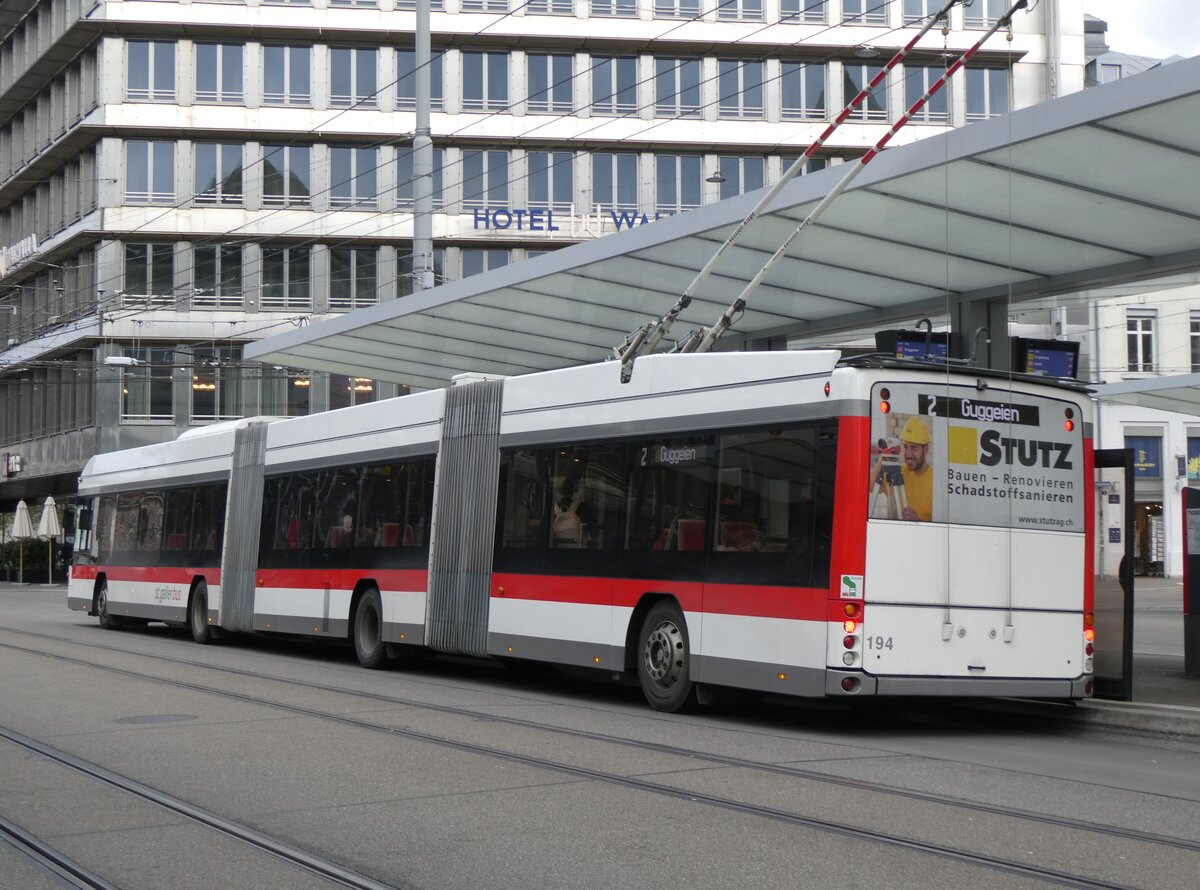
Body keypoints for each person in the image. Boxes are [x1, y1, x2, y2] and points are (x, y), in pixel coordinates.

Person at [897, 416, 933, 522]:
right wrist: (883, 458)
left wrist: (918, 522)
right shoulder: (899, 473)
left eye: (914, 448)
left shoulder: (936, 483)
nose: (908, 454)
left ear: (926, 450)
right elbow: (867, 487)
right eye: (905, 447)